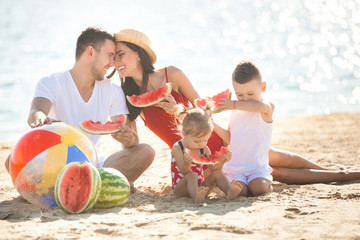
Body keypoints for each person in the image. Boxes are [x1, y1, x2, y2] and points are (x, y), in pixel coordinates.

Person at [109, 28, 360, 185]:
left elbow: (204, 109)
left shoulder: (172, 75)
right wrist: (124, 135)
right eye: (114, 57)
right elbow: (131, 144)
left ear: (138, 53)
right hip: (202, 159)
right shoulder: (126, 95)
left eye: (120, 54)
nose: (116, 61)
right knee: (276, 170)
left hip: (220, 139)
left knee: (276, 157)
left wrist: (180, 112)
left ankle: (340, 172)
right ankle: (341, 176)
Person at [5, 27, 155, 188]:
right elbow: (36, 111)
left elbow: (128, 137)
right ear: (90, 52)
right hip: (55, 164)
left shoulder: (112, 89)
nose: (113, 64)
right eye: (110, 56)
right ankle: (92, 186)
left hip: (94, 164)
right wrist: (41, 120)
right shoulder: (52, 82)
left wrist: (130, 139)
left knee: (145, 152)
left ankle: (81, 185)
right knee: (12, 159)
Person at [213, 60, 273, 196]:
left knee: (259, 188)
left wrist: (234, 104)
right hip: (235, 167)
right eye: (240, 95)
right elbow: (230, 139)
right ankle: (234, 189)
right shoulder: (235, 111)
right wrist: (212, 124)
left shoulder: (265, 108)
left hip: (257, 168)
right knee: (240, 191)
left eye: (250, 94)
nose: (245, 99)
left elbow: (260, 106)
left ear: (262, 87)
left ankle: (267, 185)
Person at [171, 106, 242, 202]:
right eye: (197, 141)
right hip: (181, 190)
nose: (202, 144)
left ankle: (229, 191)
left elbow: (215, 168)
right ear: (184, 133)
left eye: (205, 140)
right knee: (192, 175)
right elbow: (184, 171)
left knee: (217, 173)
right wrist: (187, 163)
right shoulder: (178, 147)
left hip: (201, 189)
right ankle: (197, 197)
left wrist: (223, 160)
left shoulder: (204, 149)